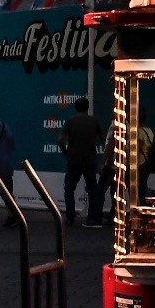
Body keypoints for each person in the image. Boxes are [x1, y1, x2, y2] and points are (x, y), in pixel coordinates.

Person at [58, 97, 103, 229]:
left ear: (75, 107)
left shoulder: (70, 121)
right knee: (92, 190)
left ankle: (70, 217)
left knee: (69, 189)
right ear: (88, 107)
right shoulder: (94, 121)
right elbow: (103, 138)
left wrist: (66, 151)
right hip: (90, 159)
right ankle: (92, 217)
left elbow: (60, 140)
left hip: (74, 159)